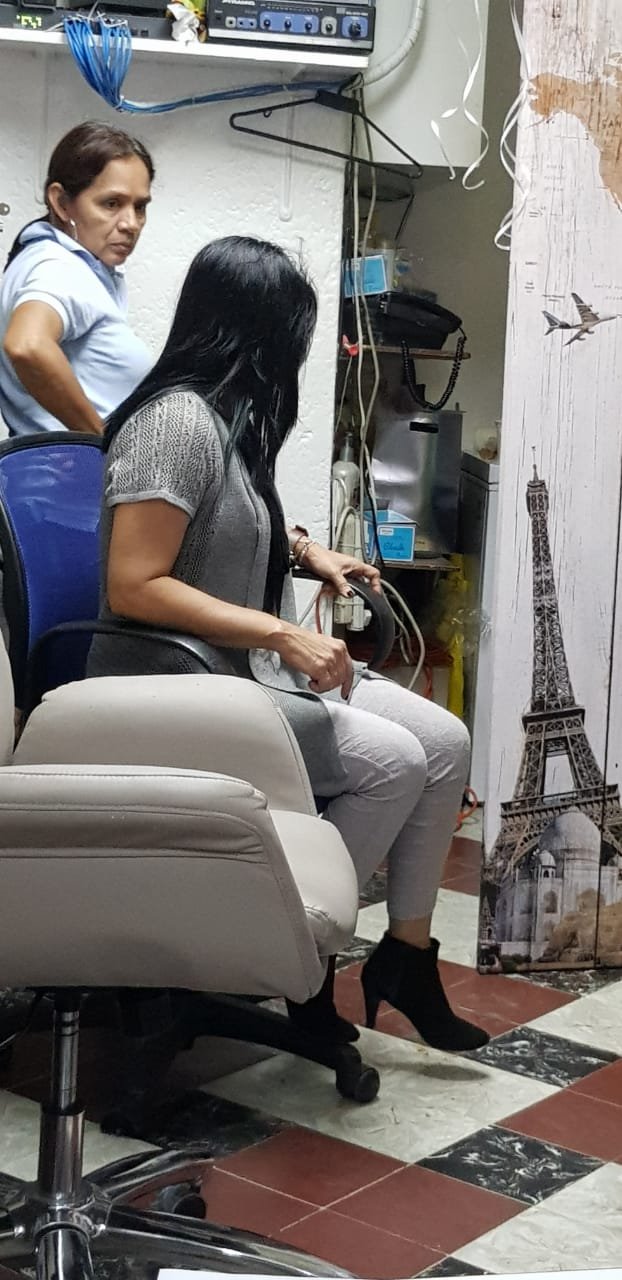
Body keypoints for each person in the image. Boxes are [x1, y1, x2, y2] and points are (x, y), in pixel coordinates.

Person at [89, 236, 488, 1054]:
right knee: (393, 762)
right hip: (173, 682)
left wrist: (307, 552)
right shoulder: (174, 424)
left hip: (240, 670)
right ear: (251, 332)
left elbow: (229, 520)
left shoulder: (228, 422)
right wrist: (282, 633)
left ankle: (405, 957)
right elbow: (135, 584)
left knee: (445, 742)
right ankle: (287, 948)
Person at [0, 121, 154, 437]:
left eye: (139, 207)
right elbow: (27, 345)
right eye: (111, 203)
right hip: (70, 466)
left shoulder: (44, 257)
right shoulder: (58, 265)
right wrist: (99, 440)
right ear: (61, 202)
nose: (131, 223)